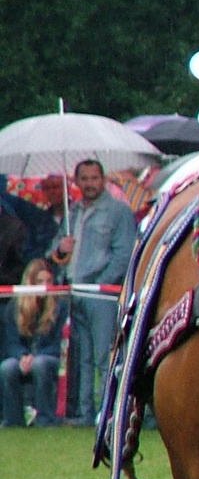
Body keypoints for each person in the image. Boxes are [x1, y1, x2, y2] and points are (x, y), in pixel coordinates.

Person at [51, 159, 137, 427]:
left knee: (104, 356)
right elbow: (54, 252)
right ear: (76, 182)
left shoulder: (118, 212)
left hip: (101, 295)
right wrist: (61, 248)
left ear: (104, 180)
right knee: (81, 357)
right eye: (84, 179)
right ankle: (85, 414)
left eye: (94, 178)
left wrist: (101, 282)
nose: (89, 184)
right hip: (74, 292)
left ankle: (108, 413)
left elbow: (124, 254)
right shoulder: (72, 211)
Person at [1, 259, 64, 427]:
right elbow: (12, 341)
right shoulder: (14, 307)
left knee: (40, 364)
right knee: (7, 368)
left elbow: (58, 342)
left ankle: (44, 419)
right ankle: (13, 420)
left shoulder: (59, 307)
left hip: (49, 356)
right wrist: (22, 356)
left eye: (49, 281)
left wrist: (34, 357)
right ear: (30, 282)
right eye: (40, 282)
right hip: (22, 356)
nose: (45, 286)